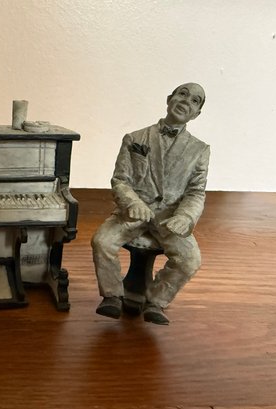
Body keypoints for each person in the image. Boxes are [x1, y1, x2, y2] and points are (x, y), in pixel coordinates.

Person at [91, 83, 210, 325]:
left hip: (169, 217)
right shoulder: (136, 138)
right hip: (133, 213)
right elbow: (120, 179)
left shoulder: (200, 150)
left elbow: (196, 192)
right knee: (101, 241)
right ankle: (112, 295)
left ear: (197, 114)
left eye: (195, 100)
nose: (186, 101)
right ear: (169, 99)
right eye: (182, 94)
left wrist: (185, 217)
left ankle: (156, 300)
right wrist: (132, 202)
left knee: (190, 260)